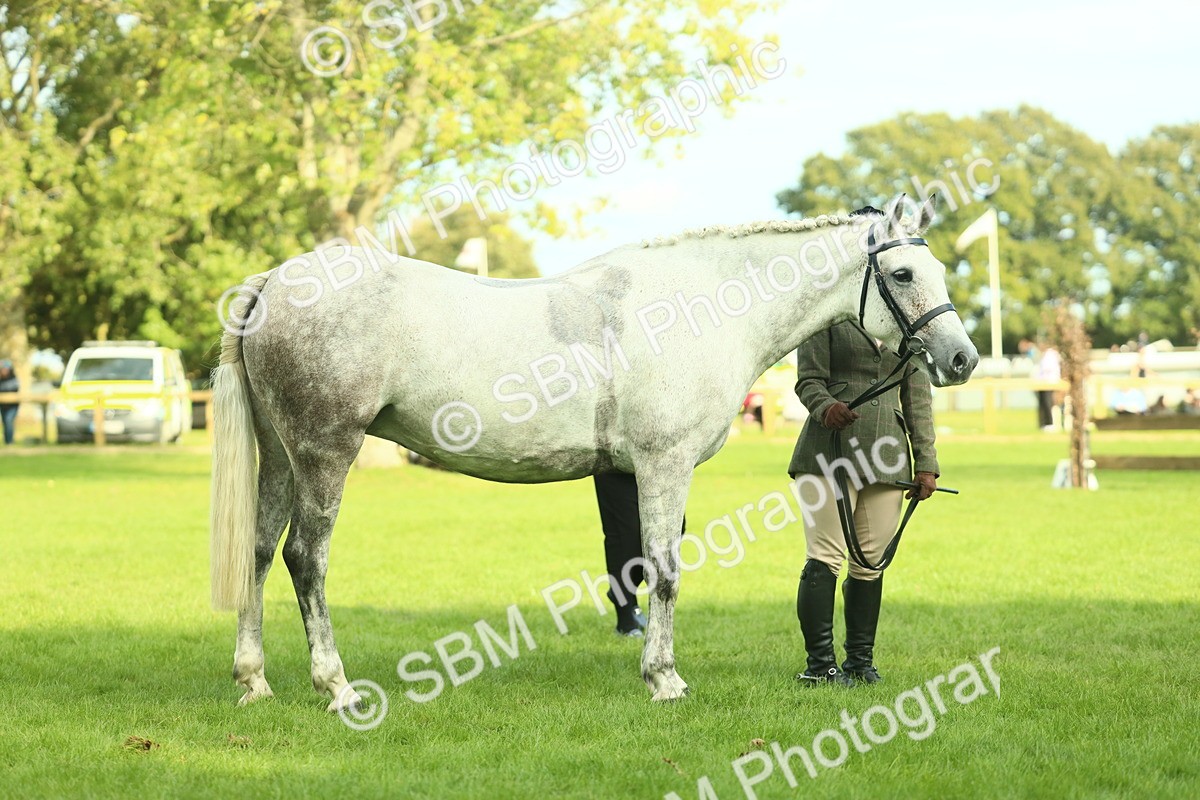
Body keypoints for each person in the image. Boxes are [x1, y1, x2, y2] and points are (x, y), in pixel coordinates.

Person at [789, 321, 939, 687]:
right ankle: (820, 666)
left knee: (871, 562)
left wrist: (926, 463)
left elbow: (917, 399)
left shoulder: (909, 329)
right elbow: (808, 379)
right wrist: (825, 407)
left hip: (888, 456)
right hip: (828, 450)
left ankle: (860, 662)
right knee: (825, 557)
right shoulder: (828, 318)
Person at [592, 474, 687, 637]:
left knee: (674, 527)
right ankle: (625, 622)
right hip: (612, 458)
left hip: (656, 461)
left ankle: (621, 591)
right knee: (626, 534)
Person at [1035, 344, 1061, 431]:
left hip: (1049, 382)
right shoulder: (1045, 354)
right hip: (1043, 383)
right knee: (1044, 403)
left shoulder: (1050, 355)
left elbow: (1047, 369)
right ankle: (1045, 423)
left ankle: (1050, 423)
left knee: (1048, 403)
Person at [0, 359, 19, 445]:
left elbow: (14, 389)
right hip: (3, 405)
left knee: (8, 420)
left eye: (5, 369)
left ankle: (10, 441)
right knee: (5, 422)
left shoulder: (14, 379)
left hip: (12, 406)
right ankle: (7, 441)